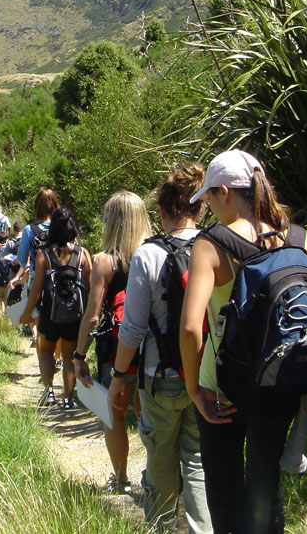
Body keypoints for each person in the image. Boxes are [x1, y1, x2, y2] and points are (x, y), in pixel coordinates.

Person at [181, 149, 307, 534]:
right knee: (265, 486)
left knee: (225, 488)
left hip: (224, 386)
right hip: (281, 379)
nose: (208, 206)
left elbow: (192, 327)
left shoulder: (211, 245)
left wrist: (194, 388)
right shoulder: (300, 239)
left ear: (225, 192)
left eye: (209, 197)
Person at [109, 163, 212, 532]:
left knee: (161, 461)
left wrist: (119, 376)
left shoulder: (147, 255)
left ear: (162, 212)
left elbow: (133, 329)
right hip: (204, 375)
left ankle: (164, 526)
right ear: (200, 209)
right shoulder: (215, 247)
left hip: (161, 377)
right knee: (198, 462)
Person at [73, 190, 151, 494]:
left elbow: (92, 317)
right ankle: (155, 474)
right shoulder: (157, 252)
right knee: (148, 409)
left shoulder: (105, 262)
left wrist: (79, 355)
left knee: (114, 410)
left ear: (112, 221)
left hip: (117, 347)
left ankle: (120, 479)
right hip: (153, 345)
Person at [20, 207, 91, 410]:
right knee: (69, 356)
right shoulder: (82, 254)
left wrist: (26, 314)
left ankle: (49, 391)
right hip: (74, 315)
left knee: (46, 352)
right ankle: (68, 399)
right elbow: (92, 286)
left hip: (50, 313)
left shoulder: (45, 254)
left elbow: (36, 290)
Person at [15, 188, 60, 352]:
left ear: (37, 206)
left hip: (38, 279)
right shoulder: (61, 226)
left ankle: (44, 361)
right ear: (55, 204)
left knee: (40, 320)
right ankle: (57, 358)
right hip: (61, 277)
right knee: (59, 318)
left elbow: (21, 259)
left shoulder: (29, 229)